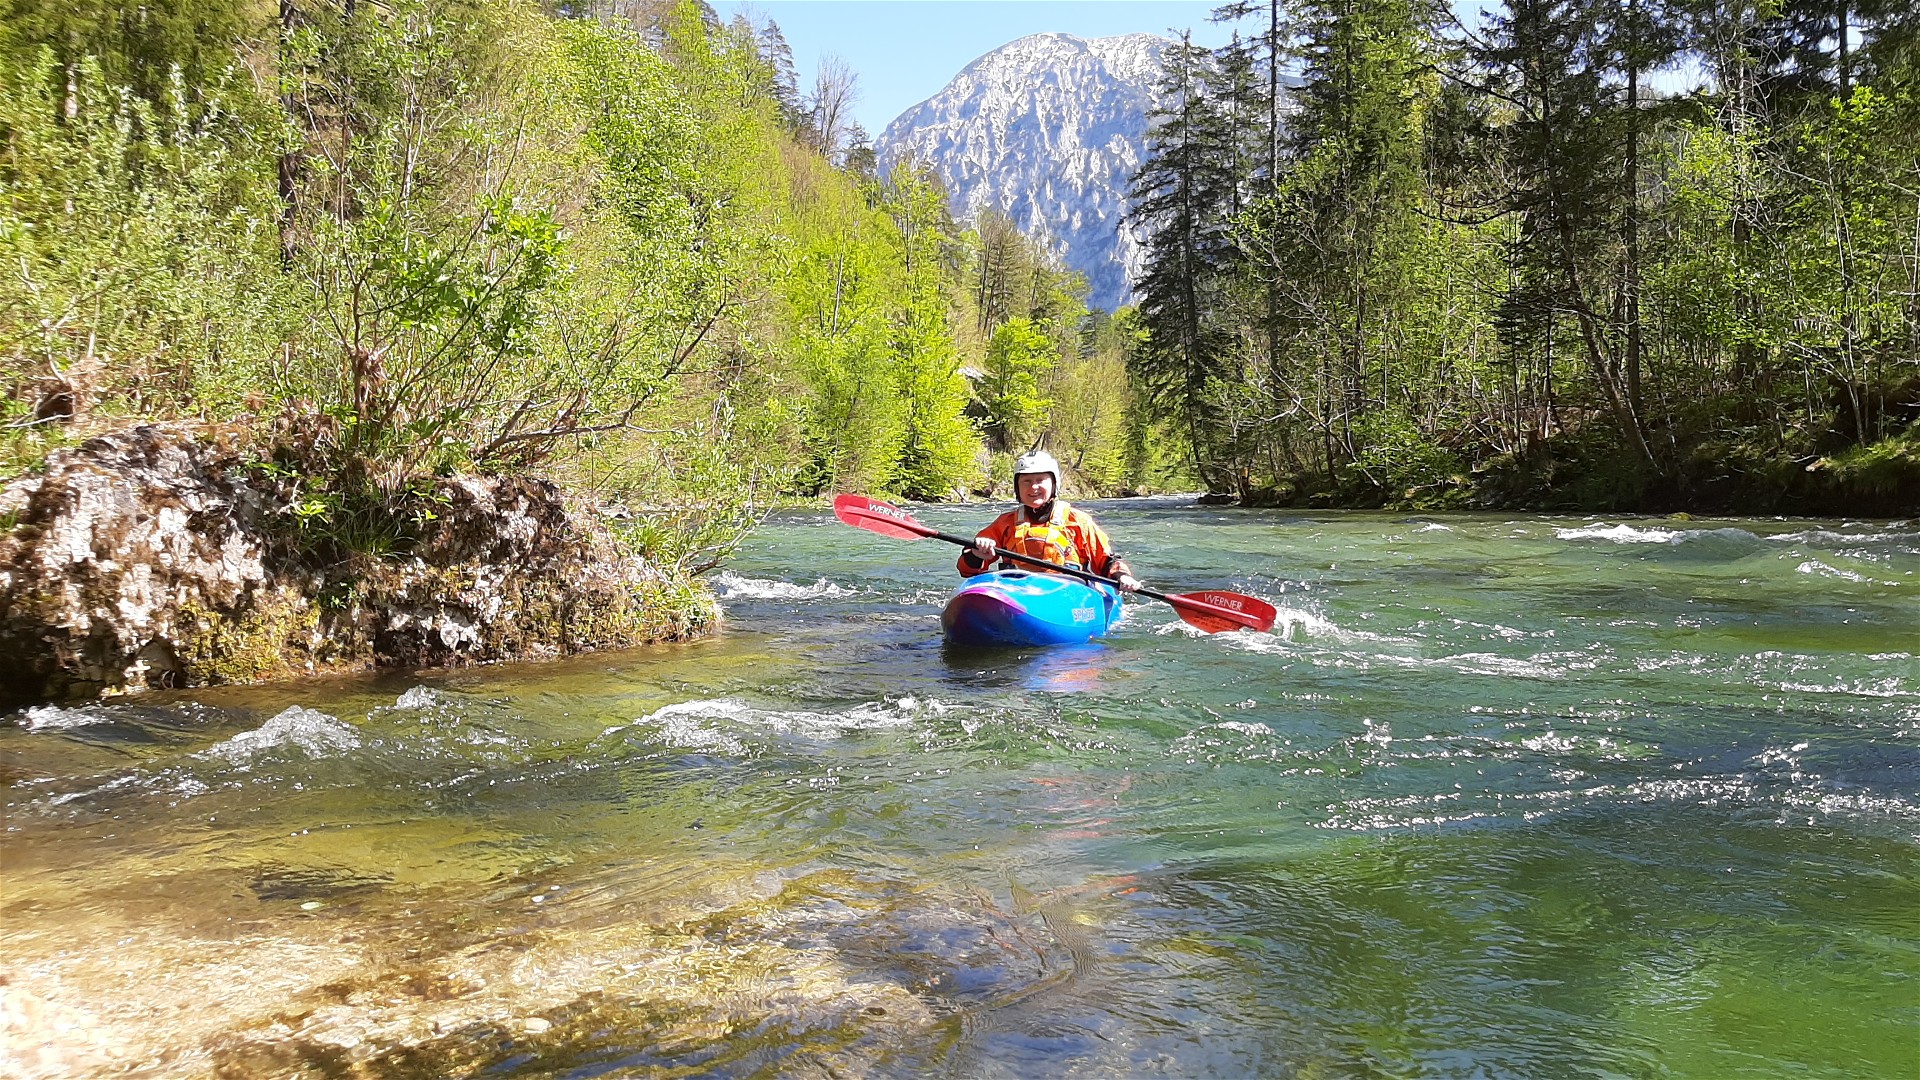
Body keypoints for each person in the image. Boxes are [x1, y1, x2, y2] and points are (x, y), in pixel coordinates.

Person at [958, 449, 1142, 592]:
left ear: (1054, 485)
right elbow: (967, 570)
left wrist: (1121, 576)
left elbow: (1106, 561)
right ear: (1017, 487)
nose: (1034, 487)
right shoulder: (1005, 523)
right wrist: (977, 554)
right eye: (1026, 481)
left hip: (1067, 590)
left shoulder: (1077, 521)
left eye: (1040, 480)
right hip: (1017, 589)